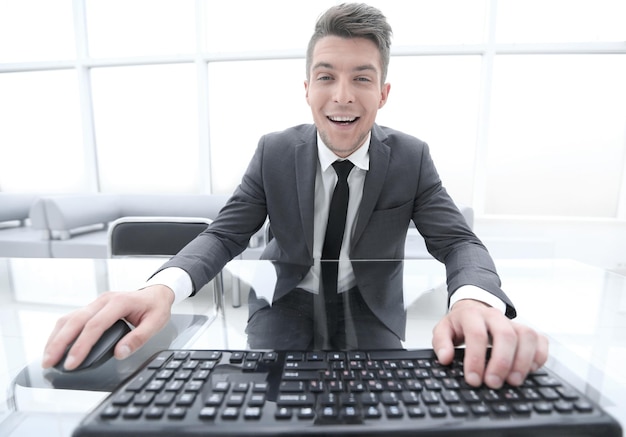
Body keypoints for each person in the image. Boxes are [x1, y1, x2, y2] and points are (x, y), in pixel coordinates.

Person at [42, 2, 548, 389]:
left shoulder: (411, 157)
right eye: (326, 76)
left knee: (379, 403)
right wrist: (160, 289)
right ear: (307, 88)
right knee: (268, 400)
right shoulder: (274, 152)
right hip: (285, 302)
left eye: (362, 79)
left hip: (369, 308)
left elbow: (457, 241)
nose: (343, 96)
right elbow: (224, 235)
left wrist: (474, 299)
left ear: (384, 93)